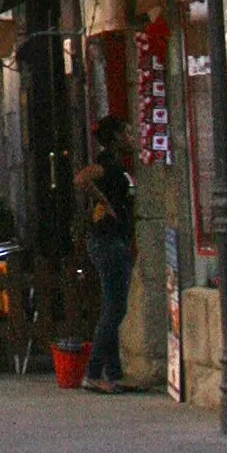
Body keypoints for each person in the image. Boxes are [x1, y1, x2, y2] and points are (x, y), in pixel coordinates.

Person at [79, 116, 136, 392]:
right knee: (115, 308)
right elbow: (82, 178)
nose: (131, 137)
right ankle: (93, 371)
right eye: (127, 132)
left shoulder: (118, 166)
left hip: (115, 240)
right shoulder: (109, 164)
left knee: (114, 307)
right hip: (108, 240)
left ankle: (113, 372)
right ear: (115, 137)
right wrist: (105, 202)